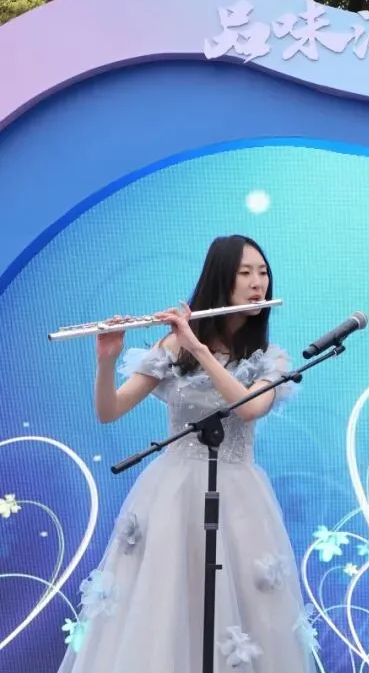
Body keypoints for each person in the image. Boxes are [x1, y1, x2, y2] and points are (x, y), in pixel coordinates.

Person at [59, 235, 316, 673]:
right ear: (221, 279)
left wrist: (199, 349)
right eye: (245, 273)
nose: (258, 283)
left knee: (240, 611)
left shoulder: (269, 359)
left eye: (263, 273)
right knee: (165, 609)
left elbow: (249, 407)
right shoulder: (171, 348)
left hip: (238, 499)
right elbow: (109, 411)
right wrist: (107, 359)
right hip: (172, 496)